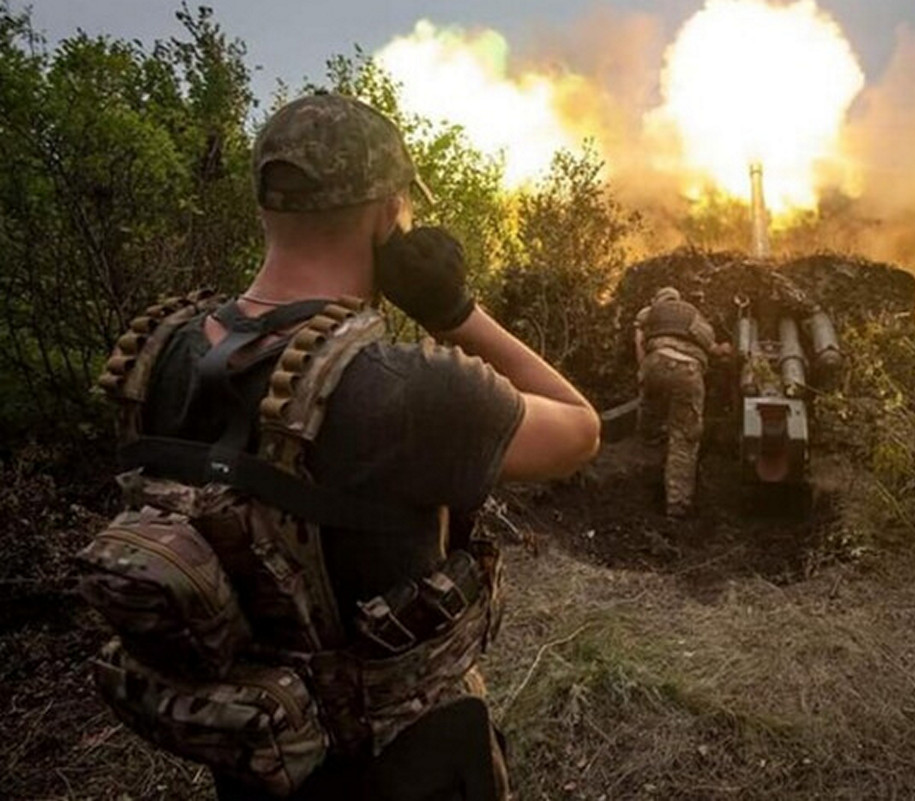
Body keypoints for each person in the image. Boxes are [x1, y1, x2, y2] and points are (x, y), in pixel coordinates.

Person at [88, 93, 600, 800]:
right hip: (412, 763)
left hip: (260, 758)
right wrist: (455, 312)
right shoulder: (405, 388)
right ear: (390, 214)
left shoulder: (163, 355)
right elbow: (579, 428)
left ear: (268, 208)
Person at [634, 286, 730, 517]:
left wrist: (643, 369)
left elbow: (638, 339)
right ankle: (677, 504)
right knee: (685, 436)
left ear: (657, 299)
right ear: (679, 300)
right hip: (687, 370)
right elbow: (712, 347)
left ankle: (646, 444)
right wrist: (725, 350)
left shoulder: (649, 312)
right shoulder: (691, 314)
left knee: (650, 409)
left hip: (654, 363)